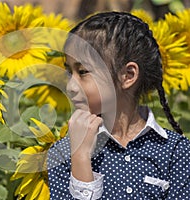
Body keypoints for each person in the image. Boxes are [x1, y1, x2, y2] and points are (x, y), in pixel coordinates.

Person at [47, 11, 190, 199]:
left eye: (82, 72)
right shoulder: (62, 154)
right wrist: (80, 157)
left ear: (128, 75)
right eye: (69, 72)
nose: (70, 86)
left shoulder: (176, 153)